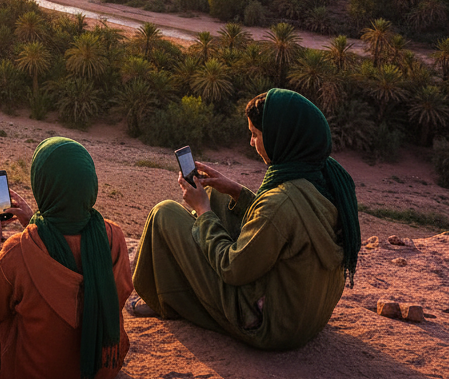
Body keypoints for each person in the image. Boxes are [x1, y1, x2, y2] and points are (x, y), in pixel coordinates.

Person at [131, 88, 361, 350]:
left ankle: (161, 297)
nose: (251, 143)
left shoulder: (280, 201)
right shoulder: (326, 178)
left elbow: (232, 268)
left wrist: (204, 211)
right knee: (220, 198)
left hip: (270, 324)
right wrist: (235, 191)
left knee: (165, 213)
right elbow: (285, 225)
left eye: (255, 134)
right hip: (305, 316)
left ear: (280, 137)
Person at [0, 136, 133, 379]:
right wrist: (34, 221)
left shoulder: (17, 251)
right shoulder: (112, 237)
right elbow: (114, 292)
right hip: (103, 369)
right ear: (90, 184)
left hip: (34, 377)